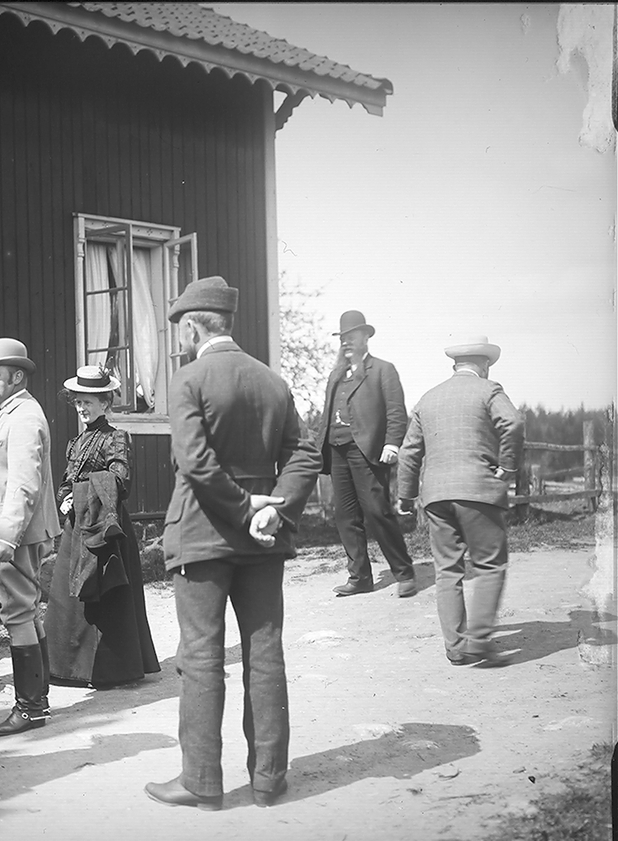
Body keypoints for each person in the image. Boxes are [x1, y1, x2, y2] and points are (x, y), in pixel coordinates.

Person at [144, 277, 320, 811]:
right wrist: (274, 507)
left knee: (200, 658)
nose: (180, 341)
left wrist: (243, 511)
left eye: (180, 331)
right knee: (266, 653)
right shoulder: (273, 382)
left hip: (202, 535)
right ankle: (270, 778)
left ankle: (202, 781)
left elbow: (196, 464)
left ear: (195, 326)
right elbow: (304, 456)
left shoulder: (189, 379)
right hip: (263, 541)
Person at [396, 335, 524, 667]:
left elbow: (409, 452)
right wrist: (508, 467)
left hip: (436, 497)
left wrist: (406, 496)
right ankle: (479, 641)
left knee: (447, 571)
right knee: (490, 565)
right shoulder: (489, 390)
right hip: (479, 491)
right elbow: (512, 423)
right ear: (483, 365)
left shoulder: (428, 398)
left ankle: (455, 647)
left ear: (455, 365)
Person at [0, 337, 62, 736]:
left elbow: (24, 483)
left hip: (15, 536)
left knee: (18, 613)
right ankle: (38, 699)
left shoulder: (22, 417)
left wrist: (5, 537)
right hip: (15, 532)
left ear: (17, 375)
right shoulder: (12, 413)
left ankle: (30, 708)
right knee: (27, 610)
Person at [45, 365, 160, 689]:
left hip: (104, 526)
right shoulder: (77, 441)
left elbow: (120, 479)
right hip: (76, 524)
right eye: (79, 403)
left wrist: (83, 494)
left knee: (108, 595)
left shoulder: (116, 437)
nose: (83, 409)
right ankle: (69, 668)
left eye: (90, 403)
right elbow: (67, 480)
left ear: (105, 404)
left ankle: (111, 670)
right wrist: (67, 497)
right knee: (71, 596)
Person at [318, 310, 416, 597]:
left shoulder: (383, 370)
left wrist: (392, 444)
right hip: (337, 451)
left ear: (365, 338)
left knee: (377, 511)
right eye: (343, 338)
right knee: (345, 515)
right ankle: (360, 577)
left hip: (367, 450)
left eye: (352, 337)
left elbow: (396, 411)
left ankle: (404, 573)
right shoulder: (336, 374)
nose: (346, 343)